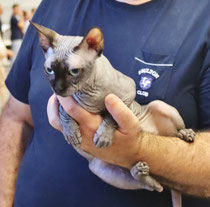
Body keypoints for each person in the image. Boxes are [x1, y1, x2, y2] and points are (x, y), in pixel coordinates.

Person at [0, 0, 210, 207]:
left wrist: (136, 150)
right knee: (98, 166)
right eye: (50, 72)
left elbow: (128, 90)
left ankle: (151, 177)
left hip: (145, 131)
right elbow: (15, 117)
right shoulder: (53, 4)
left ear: (95, 46)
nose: (58, 87)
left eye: (74, 72)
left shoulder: (201, 15)